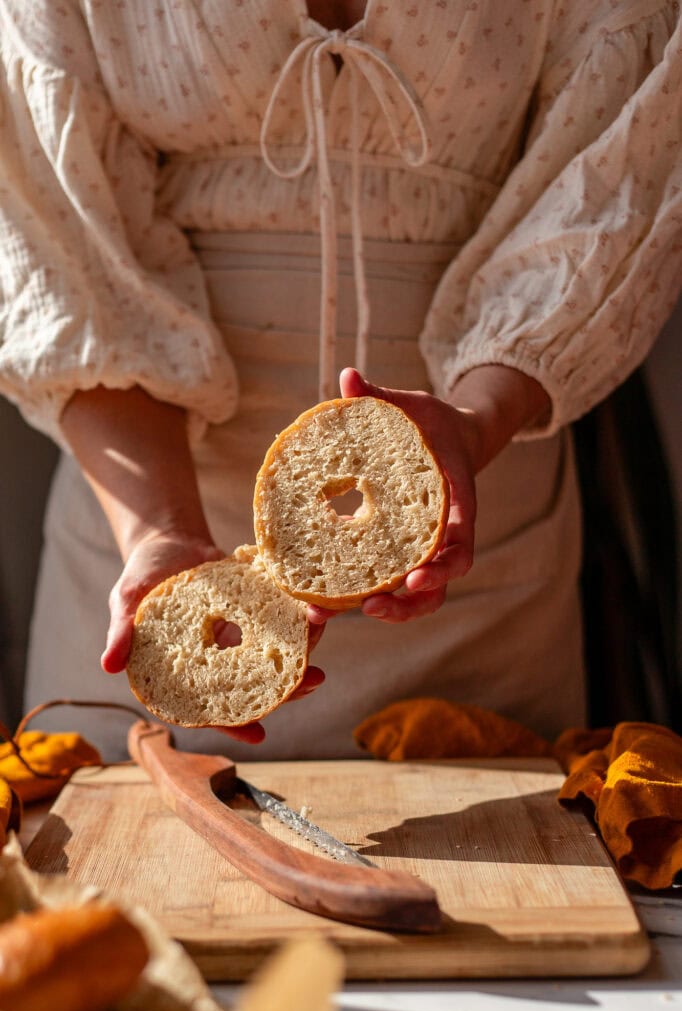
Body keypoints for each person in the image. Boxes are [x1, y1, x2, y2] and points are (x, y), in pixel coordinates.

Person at [0, 1, 680, 761]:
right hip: (135, 506)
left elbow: (616, 170)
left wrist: (476, 420)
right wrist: (159, 531)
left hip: (472, 519)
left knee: (499, 860)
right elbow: (57, 232)